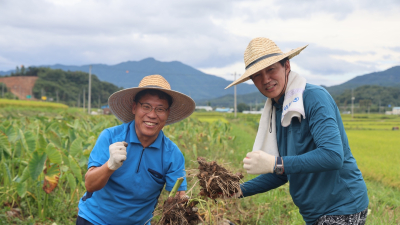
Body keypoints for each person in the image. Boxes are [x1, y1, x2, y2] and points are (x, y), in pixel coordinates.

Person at [225, 37, 369, 225]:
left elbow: (333, 155)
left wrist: (275, 163)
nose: (266, 80)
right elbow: (284, 172)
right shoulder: (277, 110)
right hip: (314, 214)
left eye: (271, 69)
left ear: (287, 66)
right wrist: (237, 190)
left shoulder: (314, 98)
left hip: (342, 207)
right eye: (257, 75)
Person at [76, 75, 195, 225]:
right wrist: (109, 166)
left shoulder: (172, 154)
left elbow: (177, 197)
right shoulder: (111, 137)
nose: (152, 115)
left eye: (160, 109)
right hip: (95, 219)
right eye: (146, 107)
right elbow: (90, 185)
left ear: (167, 113)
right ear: (134, 108)